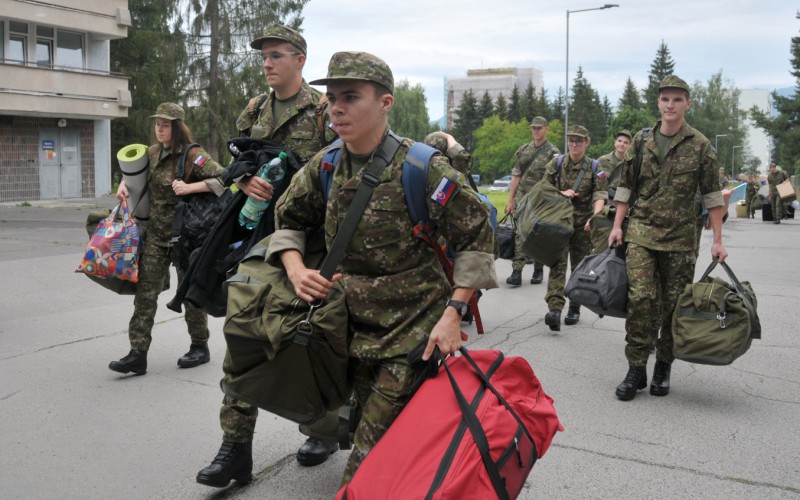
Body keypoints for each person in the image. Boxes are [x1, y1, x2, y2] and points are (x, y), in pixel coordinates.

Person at [270, 51, 497, 483]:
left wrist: (454, 313)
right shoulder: (326, 165)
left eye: (351, 96)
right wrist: (296, 268)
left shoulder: (423, 169)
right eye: (332, 97)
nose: (336, 107)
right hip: (347, 331)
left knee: (366, 461)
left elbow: (477, 237)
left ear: (386, 103)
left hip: (411, 335)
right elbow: (288, 219)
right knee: (383, 443)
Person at [196, 25, 338, 489]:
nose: (267, 63)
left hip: (312, 242)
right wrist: (245, 180)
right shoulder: (255, 108)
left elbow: (341, 171)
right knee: (243, 333)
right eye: (263, 57)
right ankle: (235, 448)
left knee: (314, 339)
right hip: (260, 237)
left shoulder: (323, 111)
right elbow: (237, 160)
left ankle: (322, 429)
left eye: (276, 55)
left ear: (300, 59)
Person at [609, 75, 727, 401]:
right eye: (665, 99)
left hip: (680, 238)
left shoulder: (701, 146)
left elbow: (713, 196)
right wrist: (618, 225)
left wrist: (717, 240)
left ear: (687, 103)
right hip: (642, 232)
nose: (670, 105)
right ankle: (636, 368)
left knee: (673, 307)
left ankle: (663, 364)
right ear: (658, 103)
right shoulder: (641, 140)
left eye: (677, 100)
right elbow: (625, 187)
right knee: (640, 298)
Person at [109, 102, 225, 375]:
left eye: (165, 124)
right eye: (157, 124)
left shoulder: (192, 155)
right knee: (145, 295)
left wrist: (189, 186)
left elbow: (223, 180)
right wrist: (123, 186)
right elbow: (134, 179)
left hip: (186, 236)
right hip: (156, 237)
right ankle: (137, 354)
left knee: (188, 295)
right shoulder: (151, 154)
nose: (159, 129)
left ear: (177, 127)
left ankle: (200, 346)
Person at [542, 125, 607, 331]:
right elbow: (543, 188)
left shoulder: (596, 168)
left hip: (583, 226)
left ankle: (575, 306)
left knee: (579, 267)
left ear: (587, 142)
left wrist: (594, 219)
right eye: (571, 140)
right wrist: (561, 192)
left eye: (579, 140)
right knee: (557, 264)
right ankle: (554, 309)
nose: (574, 144)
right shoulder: (557, 163)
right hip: (560, 222)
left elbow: (600, 195)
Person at [505, 116, 561, 286]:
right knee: (520, 233)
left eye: (539, 128)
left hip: (541, 199)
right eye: (534, 128)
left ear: (546, 129)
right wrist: (510, 200)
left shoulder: (553, 153)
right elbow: (516, 176)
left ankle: (538, 269)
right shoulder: (524, 150)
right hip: (522, 197)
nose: (536, 130)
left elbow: (556, 179)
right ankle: (517, 270)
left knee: (539, 234)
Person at [590, 129, 632, 253]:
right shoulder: (603, 161)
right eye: (619, 141)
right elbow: (598, 185)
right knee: (602, 246)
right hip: (606, 207)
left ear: (629, 146)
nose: (622, 144)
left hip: (625, 207)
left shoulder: (631, 163)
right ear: (615, 143)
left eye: (625, 142)